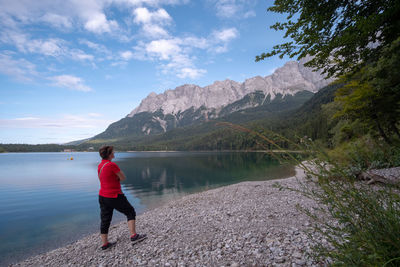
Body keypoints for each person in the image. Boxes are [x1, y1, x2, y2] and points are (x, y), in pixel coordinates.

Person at [97, 145, 146, 250]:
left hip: (102, 196)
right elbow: (123, 177)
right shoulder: (112, 165)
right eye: (113, 152)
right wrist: (116, 179)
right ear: (109, 154)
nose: (114, 153)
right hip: (114, 195)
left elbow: (102, 179)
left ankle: (105, 244)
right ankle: (134, 236)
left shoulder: (100, 165)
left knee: (105, 219)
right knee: (130, 212)